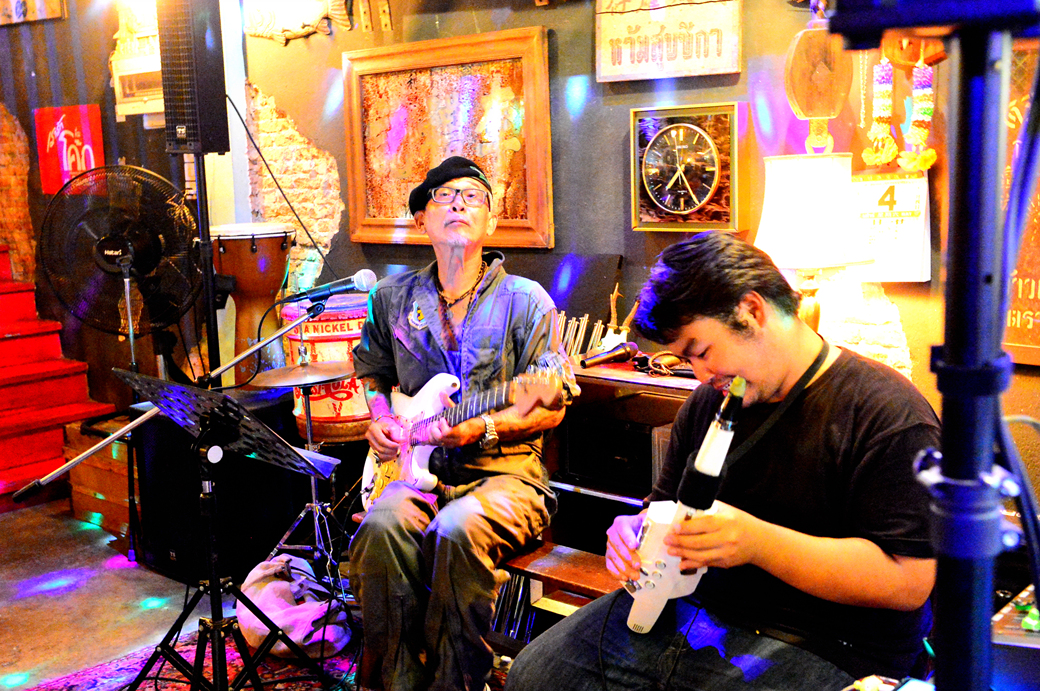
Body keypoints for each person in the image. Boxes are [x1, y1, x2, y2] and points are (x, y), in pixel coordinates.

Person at [505, 231, 939, 691]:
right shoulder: (709, 403)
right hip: (687, 609)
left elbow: (908, 582)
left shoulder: (887, 414)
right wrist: (633, 532)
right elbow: (664, 508)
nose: (701, 376)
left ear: (752, 311)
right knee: (533, 677)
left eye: (702, 352)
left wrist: (755, 542)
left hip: (821, 640)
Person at [348, 156, 575, 691]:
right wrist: (381, 419)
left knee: (456, 530)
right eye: (444, 195)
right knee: (380, 529)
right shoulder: (391, 298)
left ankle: (458, 683)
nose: (458, 204)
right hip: (414, 473)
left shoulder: (526, 300)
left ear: (490, 222)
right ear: (421, 220)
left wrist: (483, 429)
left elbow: (553, 403)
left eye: (473, 196)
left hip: (507, 477)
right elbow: (373, 373)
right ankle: (397, 682)